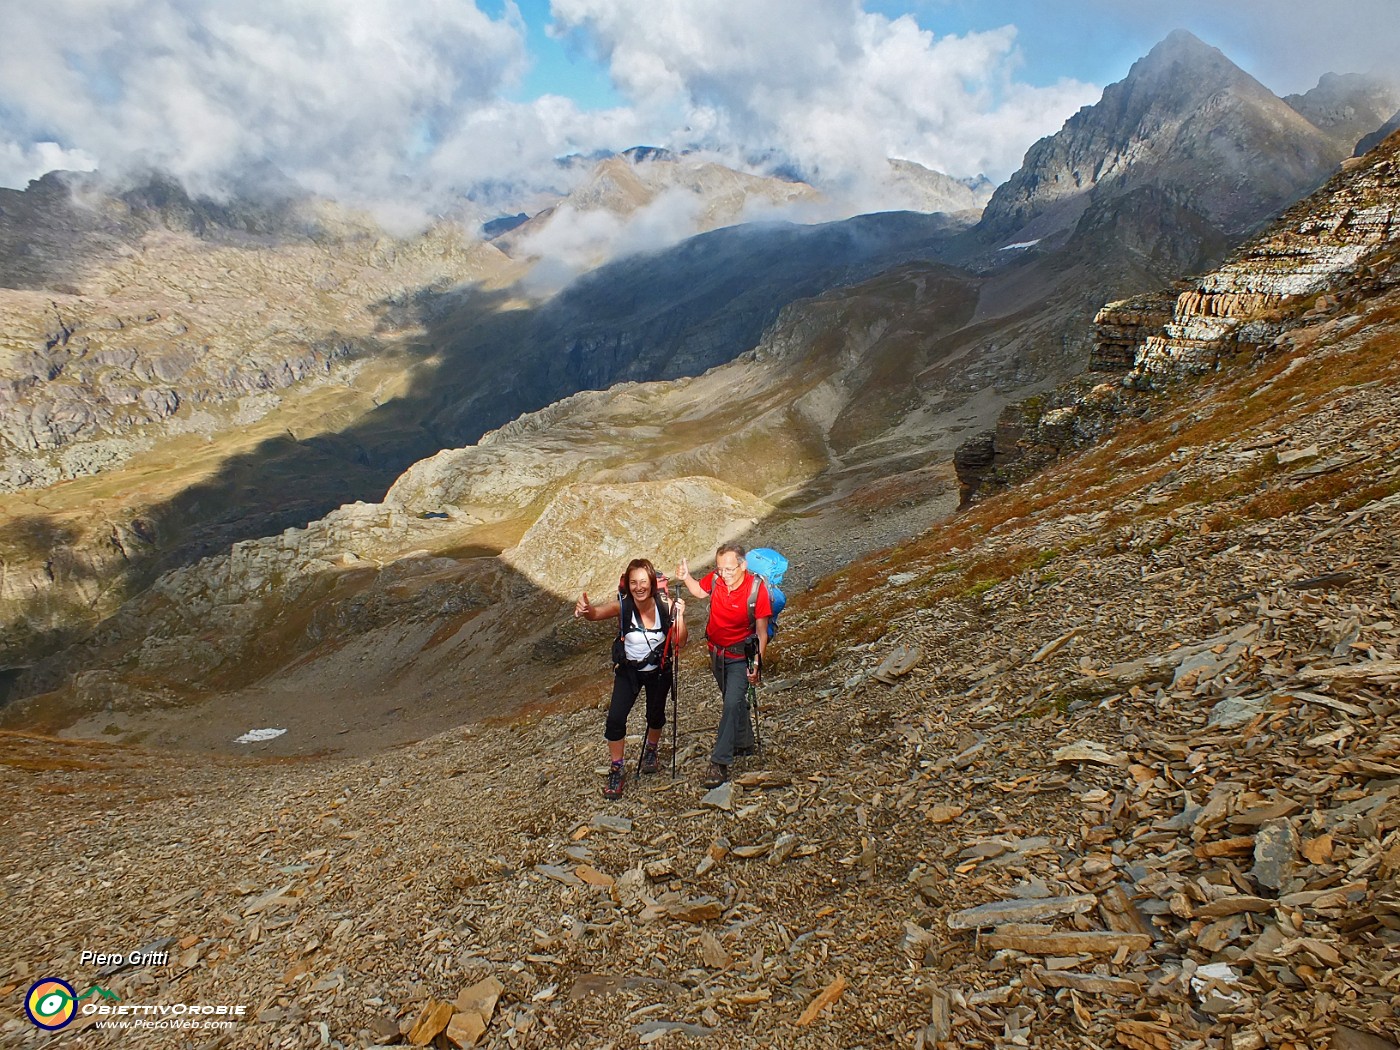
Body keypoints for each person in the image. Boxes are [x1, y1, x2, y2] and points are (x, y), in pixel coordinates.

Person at [575, 558, 687, 800]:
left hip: (659, 670)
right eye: (633, 582)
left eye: (643, 582)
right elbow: (596, 614)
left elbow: (681, 642)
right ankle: (617, 768)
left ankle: (651, 751)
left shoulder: (666, 605)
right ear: (627, 584)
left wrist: (679, 618)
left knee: (655, 715)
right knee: (615, 720)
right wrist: (586, 610)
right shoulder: (624, 605)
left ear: (653, 583)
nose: (639, 587)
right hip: (628, 671)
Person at [677, 543, 772, 788]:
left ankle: (719, 762)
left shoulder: (756, 589)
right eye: (720, 569)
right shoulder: (717, 579)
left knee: (731, 703)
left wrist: (757, 662)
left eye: (730, 569)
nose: (724, 574)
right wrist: (687, 577)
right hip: (716, 652)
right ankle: (745, 742)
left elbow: (762, 632)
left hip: (741, 656)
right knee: (734, 701)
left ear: (743, 565)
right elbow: (699, 591)